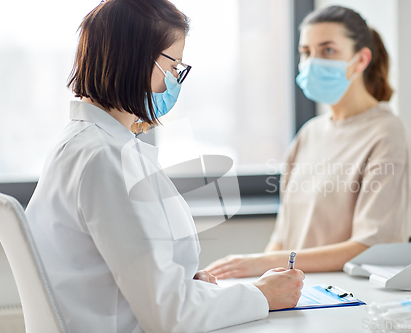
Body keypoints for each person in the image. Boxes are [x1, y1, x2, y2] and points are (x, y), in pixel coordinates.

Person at [24, 1, 304, 332]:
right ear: (138, 59)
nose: (175, 82)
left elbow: (139, 282)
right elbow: (169, 315)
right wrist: (262, 294)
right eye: (174, 67)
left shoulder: (87, 143)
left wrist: (186, 285)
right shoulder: (105, 158)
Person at [205, 6, 411, 279]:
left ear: (361, 59)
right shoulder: (309, 134)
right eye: (306, 52)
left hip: (344, 298)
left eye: (328, 50)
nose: (313, 62)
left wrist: (265, 262)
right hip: (296, 294)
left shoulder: (387, 134)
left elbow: (373, 246)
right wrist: (261, 281)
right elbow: (282, 237)